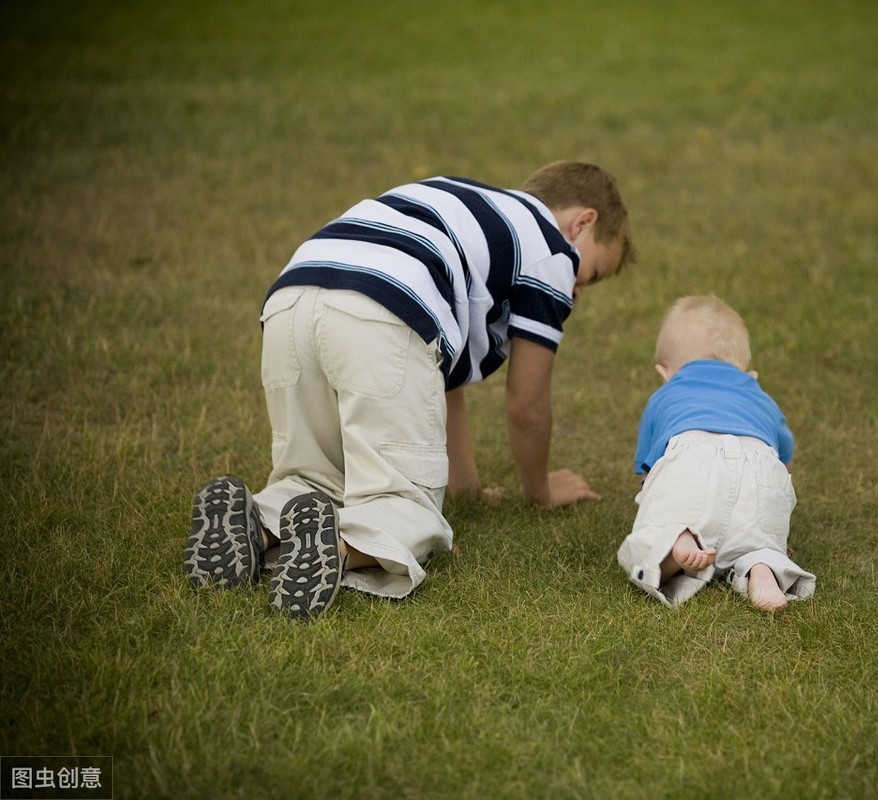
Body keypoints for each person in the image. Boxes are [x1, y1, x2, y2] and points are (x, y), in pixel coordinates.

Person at [185, 161, 635, 620]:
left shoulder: (471, 211)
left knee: (317, 480)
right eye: (594, 274)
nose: (578, 292)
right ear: (583, 222)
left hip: (293, 298)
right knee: (407, 506)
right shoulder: (553, 252)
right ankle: (336, 548)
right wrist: (540, 491)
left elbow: (438, 383)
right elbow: (527, 405)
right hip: (383, 312)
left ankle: (255, 527)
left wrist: (468, 490)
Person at [617, 295, 815, 612]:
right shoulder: (761, 398)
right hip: (758, 462)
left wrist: (665, 511)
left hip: (691, 456)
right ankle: (762, 565)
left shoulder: (665, 394)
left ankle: (675, 540)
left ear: (665, 372)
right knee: (757, 538)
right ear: (749, 374)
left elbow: (648, 472)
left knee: (653, 529)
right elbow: (784, 459)